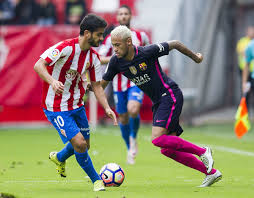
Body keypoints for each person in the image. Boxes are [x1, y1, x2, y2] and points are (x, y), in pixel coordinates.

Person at [101, 25, 222, 187]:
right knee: (167, 149)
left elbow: (176, 43)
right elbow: (102, 84)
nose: (114, 49)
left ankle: (203, 151)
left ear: (128, 42)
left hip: (170, 95)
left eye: (117, 45)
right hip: (158, 102)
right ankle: (211, 173)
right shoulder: (116, 61)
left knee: (157, 139)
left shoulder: (146, 52)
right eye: (113, 45)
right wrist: (85, 88)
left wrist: (196, 58)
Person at [34, 14, 117, 192]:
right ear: (87, 33)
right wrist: (52, 81)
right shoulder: (64, 48)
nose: (102, 38)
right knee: (79, 144)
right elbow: (39, 65)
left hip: (77, 105)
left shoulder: (93, 57)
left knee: (84, 145)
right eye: (99, 34)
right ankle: (97, 180)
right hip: (56, 107)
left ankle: (59, 157)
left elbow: (96, 86)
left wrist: (107, 108)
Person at [99, 5, 150, 165]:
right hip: (118, 83)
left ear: (130, 16)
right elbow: (99, 58)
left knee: (133, 109)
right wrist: (116, 60)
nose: (123, 16)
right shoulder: (110, 39)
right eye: (120, 14)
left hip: (137, 80)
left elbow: (149, 52)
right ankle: (129, 148)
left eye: (126, 13)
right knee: (123, 116)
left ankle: (133, 137)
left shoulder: (140, 35)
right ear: (117, 17)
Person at [237, 26, 254, 106]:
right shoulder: (243, 42)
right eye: (251, 31)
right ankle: (245, 111)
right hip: (245, 70)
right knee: (246, 92)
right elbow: (242, 52)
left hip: (252, 72)